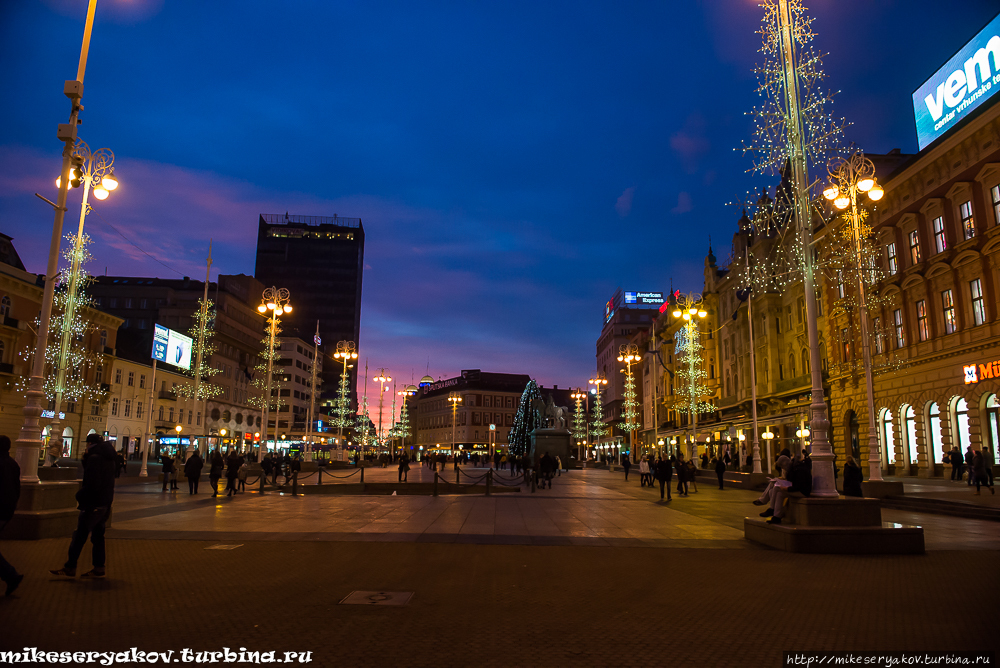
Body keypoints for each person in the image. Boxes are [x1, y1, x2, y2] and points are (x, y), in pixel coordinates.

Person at [50, 433, 116, 578]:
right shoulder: (109, 458)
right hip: (105, 502)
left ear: (89, 444)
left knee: (79, 536)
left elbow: (92, 483)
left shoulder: (94, 458)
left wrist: (79, 496)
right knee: (98, 537)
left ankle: (70, 567)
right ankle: (99, 568)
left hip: (92, 504)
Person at [757, 452, 812, 524]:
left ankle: (772, 509)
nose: (783, 469)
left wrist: (786, 488)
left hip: (803, 492)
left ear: (785, 465)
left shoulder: (799, 470)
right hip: (798, 489)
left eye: (782, 467)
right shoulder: (793, 468)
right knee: (779, 493)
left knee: (777, 488)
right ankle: (777, 516)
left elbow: (799, 486)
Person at [0, 435, 24, 595]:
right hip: (6, 511)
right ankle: (11, 576)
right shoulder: (12, 464)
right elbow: (17, 489)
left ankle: (11, 575)